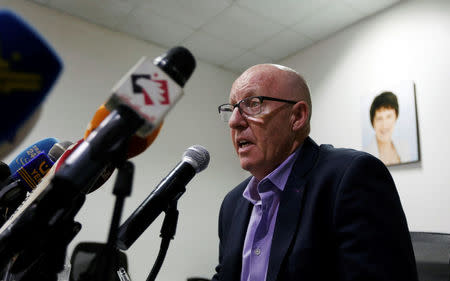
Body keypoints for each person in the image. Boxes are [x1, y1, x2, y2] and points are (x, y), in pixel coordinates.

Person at [212, 64, 418, 281]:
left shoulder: (351, 177)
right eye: (232, 109)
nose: (234, 122)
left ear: (297, 116)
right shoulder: (232, 203)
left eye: (253, 104)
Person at [364, 91, 411, 165]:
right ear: (373, 122)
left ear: (395, 117)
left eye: (388, 117)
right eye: (379, 118)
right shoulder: (366, 156)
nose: (384, 125)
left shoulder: (404, 148)